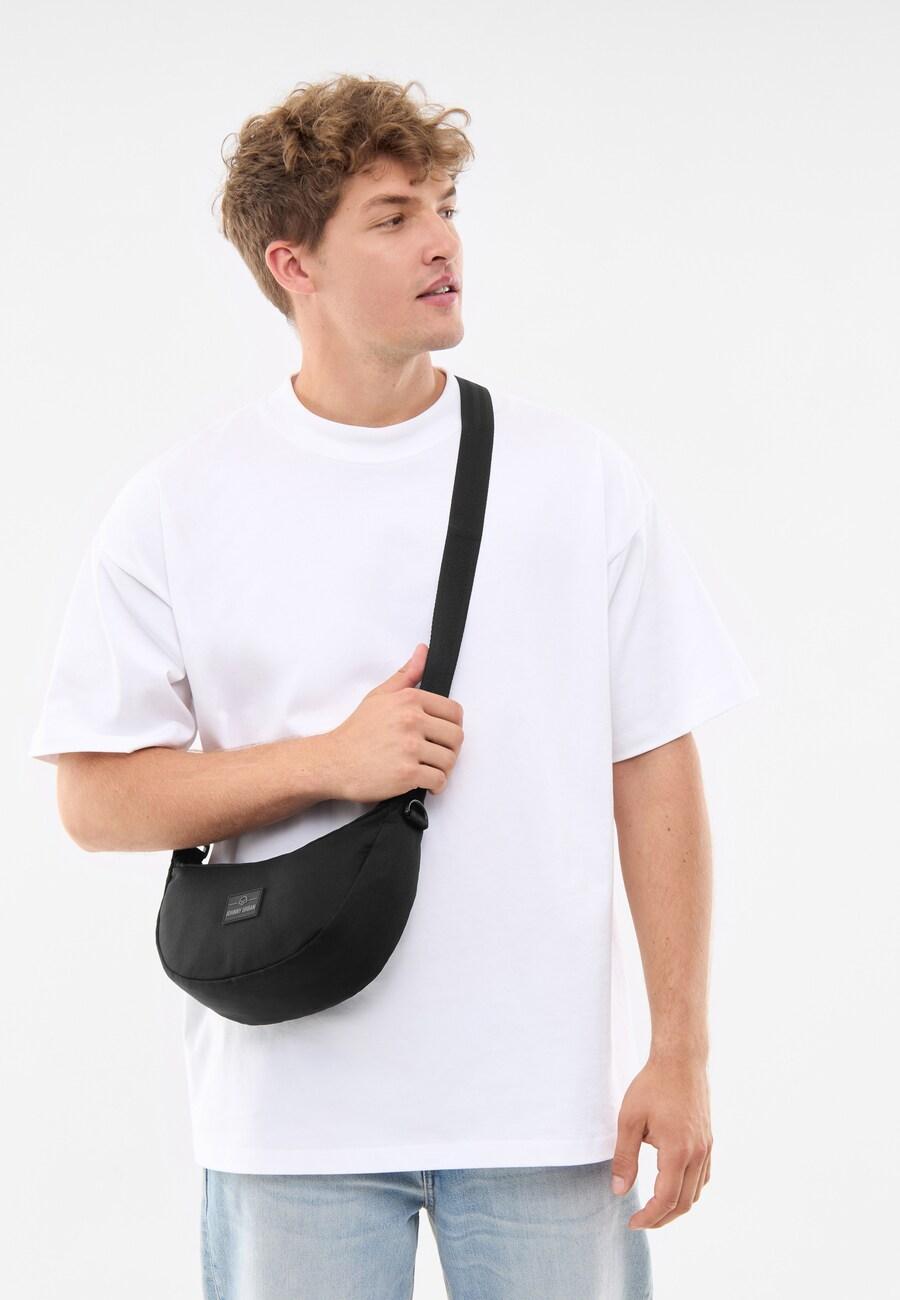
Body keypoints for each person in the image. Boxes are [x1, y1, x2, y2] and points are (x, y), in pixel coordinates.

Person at [29, 73, 759, 1300]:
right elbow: (95, 798)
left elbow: (653, 764)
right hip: (290, 1117)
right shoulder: (181, 503)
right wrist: (328, 761)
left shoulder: (575, 479)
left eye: (446, 207)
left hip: (543, 1113)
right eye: (393, 215)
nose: (442, 242)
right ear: (293, 263)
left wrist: (679, 1049)